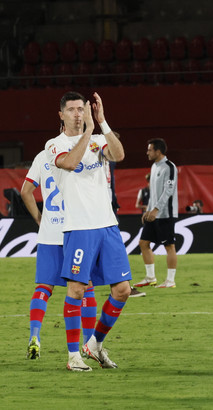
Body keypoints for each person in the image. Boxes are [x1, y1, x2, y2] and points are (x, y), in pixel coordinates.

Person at [45, 91, 131, 371]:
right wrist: (90, 134)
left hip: (107, 225)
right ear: (61, 115)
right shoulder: (54, 144)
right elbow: (69, 164)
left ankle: (93, 345)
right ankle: (73, 357)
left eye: (81, 109)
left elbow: (118, 154)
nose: (78, 114)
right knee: (77, 290)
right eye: (71, 110)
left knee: (122, 290)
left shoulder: (97, 138)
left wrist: (103, 123)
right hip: (79, 227)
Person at [20, 149, 97, 359]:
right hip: (75, 231)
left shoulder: (42, 156)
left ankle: (34, 336)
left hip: (48, 233)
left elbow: (25, 191)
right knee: (85, 286)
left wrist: (39, 218)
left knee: (44, 287)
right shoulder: (80, 155)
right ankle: (89, 343)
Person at [134, 138, 178, 289]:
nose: (147, 152)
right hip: (153, 213)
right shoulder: (154, 167)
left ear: (158, 151)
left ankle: (170, 281)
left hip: (165, 214)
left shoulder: (169, 167)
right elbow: (153, 193)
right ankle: (150, 277)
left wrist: (156, 209)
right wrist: (147, 210)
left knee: (169, 246)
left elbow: (169, 191)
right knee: (143, 243)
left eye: (149, 150)